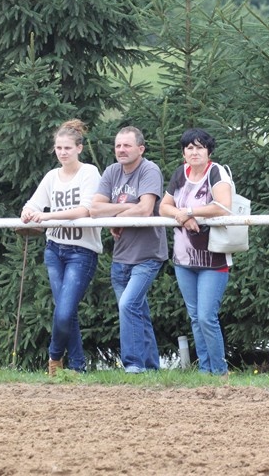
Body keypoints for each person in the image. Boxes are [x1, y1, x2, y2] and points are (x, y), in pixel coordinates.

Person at [21, 119, 102, 376]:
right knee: (65, 311)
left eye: (67, 148)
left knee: (65, 311)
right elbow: (33, 203)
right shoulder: (51, 177)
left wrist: (46, 217)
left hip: (81, 250)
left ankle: (54, 357)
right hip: (55, 249)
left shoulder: (89, 173)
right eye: (58, 148)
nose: (63, 152)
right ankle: (77, 367)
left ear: (79, 148)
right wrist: (28, 212)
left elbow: (85, 210)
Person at [91, 126, 168, 373]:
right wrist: (122, 212)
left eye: (127, 145)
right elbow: (94, 208)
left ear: (140, 149)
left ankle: (133, 366)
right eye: (118, 146)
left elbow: (146, 209)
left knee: (128, 306)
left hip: (148, 255)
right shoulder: (112, 171)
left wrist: (115, 215)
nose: (121, 150)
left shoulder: (149, 170)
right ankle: (151, 368)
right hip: (121, 255)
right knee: (137, 312)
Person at [160, 128, 233, 379]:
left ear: (208, 151)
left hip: (213, 258)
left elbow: (223, 206)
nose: (194, 152)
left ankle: (220, 371)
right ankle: (204, 370)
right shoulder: (180, 174)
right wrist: (181, 215)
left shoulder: (216, 172)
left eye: (199, 147)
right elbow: (164, 207)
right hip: (183, 259)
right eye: (189, 148)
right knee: (194, 317)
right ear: (183, 152)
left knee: (206, 317)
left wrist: (189, 211)